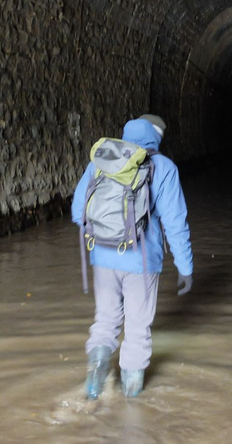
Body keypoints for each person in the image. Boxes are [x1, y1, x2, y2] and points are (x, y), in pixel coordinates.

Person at [71, 115, 193, 399]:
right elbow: (175, 224)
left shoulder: (100, 161)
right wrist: (185, 267)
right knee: (137, 329)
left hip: (101, 258)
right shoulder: (164, 168)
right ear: (157, 136)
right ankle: (131, 402)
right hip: (141, 261)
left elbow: (79, 212)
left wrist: (104, 238)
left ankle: (95, 377)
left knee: (105, 321)